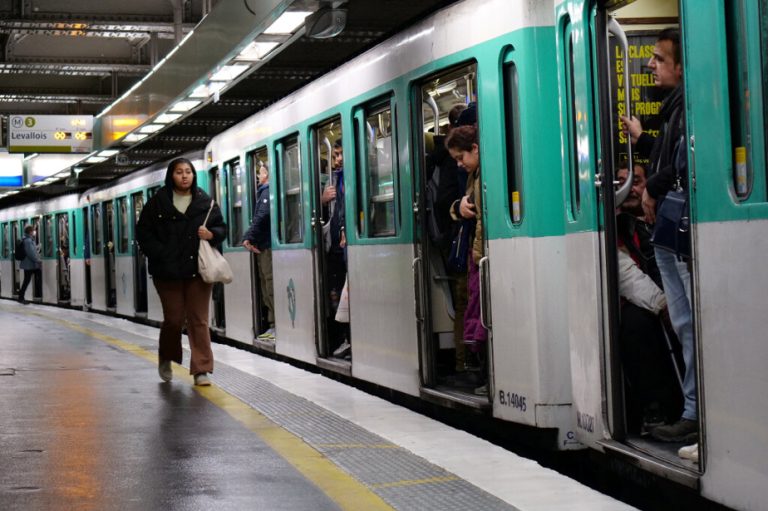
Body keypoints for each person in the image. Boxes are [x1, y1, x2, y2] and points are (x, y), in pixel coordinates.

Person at [620, 28, 697, 443]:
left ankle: (694, 411)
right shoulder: (672, 109)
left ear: (682, 66)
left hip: (676, 226)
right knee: (683, 321)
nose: (650, 65)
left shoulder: (686, 107)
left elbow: (683, 162)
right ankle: (690, 409)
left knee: (687, 320)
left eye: (658, 59)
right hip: (669, 226)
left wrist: (651, 187)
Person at [136, 157, 226, 386]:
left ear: (194, 175)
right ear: (171, 176)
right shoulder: (157, 203)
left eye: (188, 172)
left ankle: (201, 369)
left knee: (199, 319)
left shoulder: (206, 202)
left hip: (198, 270)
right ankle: (166, 356)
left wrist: (212, 234)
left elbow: (222, 228)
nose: (184, 176)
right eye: (179, 172)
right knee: (174, 319)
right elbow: (143, 233)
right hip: (167, 272)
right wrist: (161, 253)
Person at [615, 163, 682, 434]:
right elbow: (625, 275)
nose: (629, 188)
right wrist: (662, 304)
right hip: (649, 301)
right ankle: (654, 406)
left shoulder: (669, 217)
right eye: (621, 183)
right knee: (635, 323)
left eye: (635, 181)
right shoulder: (616, 226)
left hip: (675, 291)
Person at [445, 119, 488, 395]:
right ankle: (484, 375)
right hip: (478, 257)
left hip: (483, 257)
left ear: (474, 148)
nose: (459, 164)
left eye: (461, 157)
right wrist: (456, 207)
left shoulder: (485, 174)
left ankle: (486, 375)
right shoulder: (474, 175)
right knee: (478, 316)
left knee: (482, 318)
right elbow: (464, 206)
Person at [426, 104, 469, 375]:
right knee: (464, 301)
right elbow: (446, 202)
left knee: (464, 302)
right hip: (458, 239)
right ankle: (464, 362)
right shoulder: (454, 163)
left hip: (454, 238)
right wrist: (458, 211)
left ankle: (464, 360)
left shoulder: (441, 159)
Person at [321, 139, 351, 359]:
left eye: (341, 154)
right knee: (338, 295)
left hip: (346, 246)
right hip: (335, 248)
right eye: (335, 155)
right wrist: (322, 200)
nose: (338, 159)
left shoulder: (353, 176)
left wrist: (344, 228)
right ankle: (343, 339)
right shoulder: (334, 179)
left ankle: (349, 339)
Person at [242, 163, 275, 340]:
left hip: (266, 245)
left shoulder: (266, 190)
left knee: (269, 284)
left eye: (261, 172)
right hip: (263, 244)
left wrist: (248, 236)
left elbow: (261, 216)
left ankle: (275, 325)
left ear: (268, 175)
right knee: (265, 284)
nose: (258, 176)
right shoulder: (264, 190)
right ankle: (272, 324)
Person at [18, 224, 42, 304]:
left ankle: (22, 297)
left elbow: (33, 250)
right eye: (33, 230)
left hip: (30, 265)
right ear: (30, 231)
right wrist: (37, 260)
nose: (34, 232)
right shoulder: (28, 241)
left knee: (28, 280)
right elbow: (30, 253)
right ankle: (21, 297)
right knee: (28, 280)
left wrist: (38, 247)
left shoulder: (28, 239)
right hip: (29, 265)